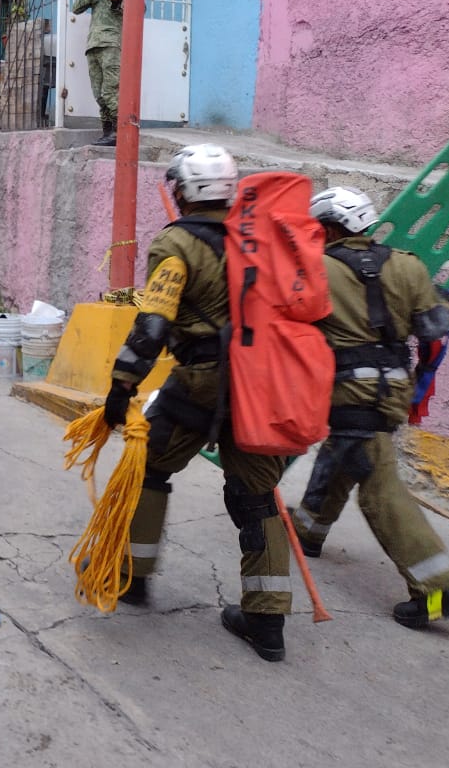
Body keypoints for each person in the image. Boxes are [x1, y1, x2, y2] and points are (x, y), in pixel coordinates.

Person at [103, 144, 293, 662]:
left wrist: (122, 386)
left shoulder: (176, 243)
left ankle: (133, 578)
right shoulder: (260, 238)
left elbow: (153, 323)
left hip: (201, 382)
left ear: (183, 191)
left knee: (147, 469)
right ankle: (267, 619)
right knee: (257, 498)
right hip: (260, 384)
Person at [290, 186, 449, 628]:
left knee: (379, 486)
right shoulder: (407, 265)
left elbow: (290, 323)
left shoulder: (316, 268)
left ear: (327, 228)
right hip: (393, 389)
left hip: (347, 391)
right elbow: (436, 325)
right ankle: (309, 529)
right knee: (346, 454)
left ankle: (437, 587)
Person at [70, 0, 124, 147]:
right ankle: (107, 132)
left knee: (111, 90)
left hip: (111, 44)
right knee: (99, 93)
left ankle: (121, 132)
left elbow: (138, 11)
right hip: (93, 46)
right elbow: (75, 8)